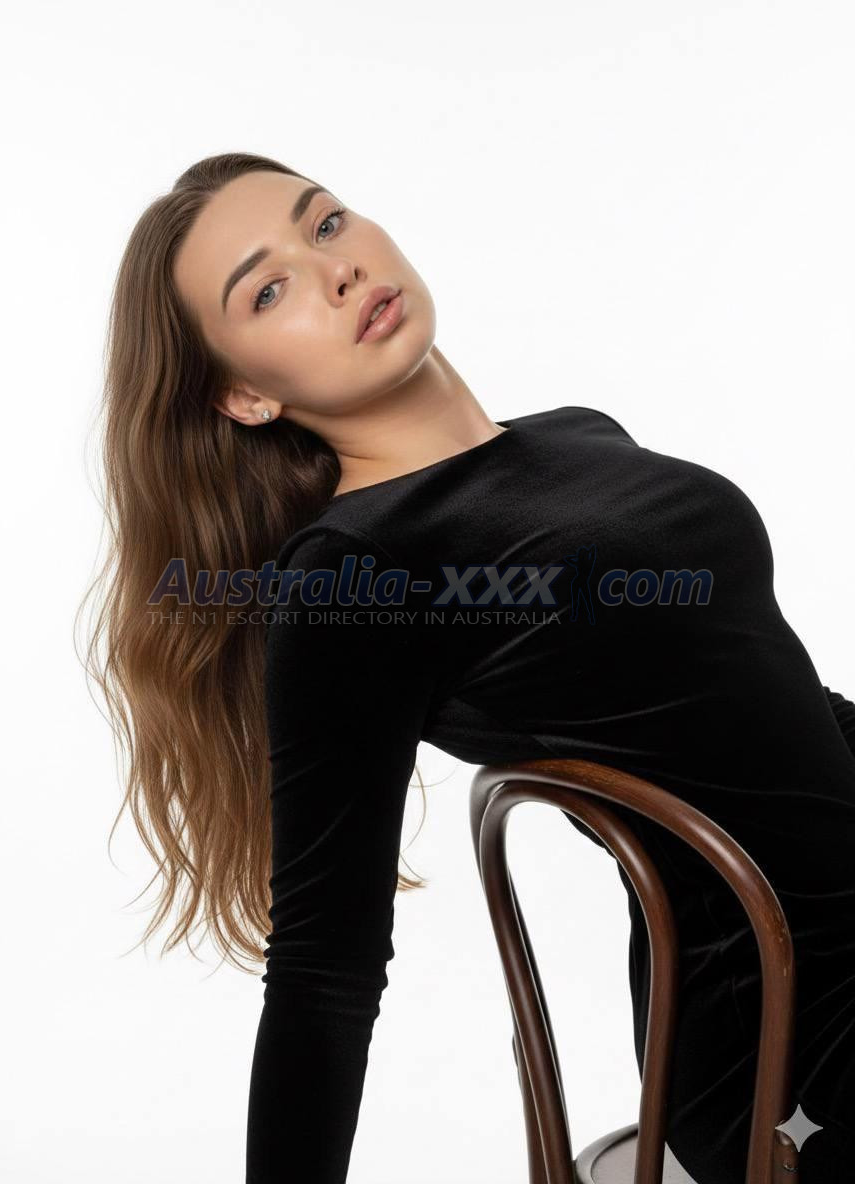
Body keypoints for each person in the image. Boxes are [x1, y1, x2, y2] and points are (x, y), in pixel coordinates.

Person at [87, 151, 855, 1183]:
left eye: (326, 223)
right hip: (789, 1045)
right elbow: (323, 970)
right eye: (268, 290)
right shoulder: (355, 570)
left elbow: (775, 709)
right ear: (244, 395)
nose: (337, 270)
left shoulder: (581, 436)